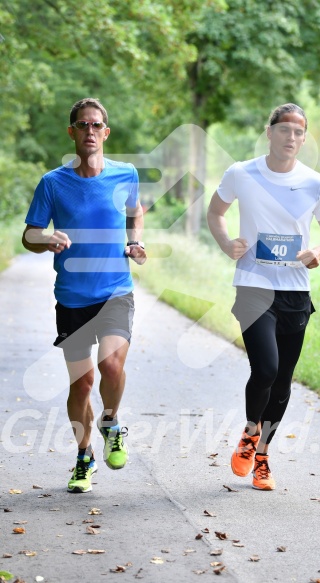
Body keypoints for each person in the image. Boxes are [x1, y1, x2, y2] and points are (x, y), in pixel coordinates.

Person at [207, 103, 320, 491]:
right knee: (265, 368)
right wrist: (226, 243)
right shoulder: (242, 173)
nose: (292, 138)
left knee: (283, 381)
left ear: (304, 137)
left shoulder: (315, 182)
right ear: (269, 132)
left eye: (299, 132)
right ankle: (250, 434)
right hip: (253, 285)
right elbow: (216, 213)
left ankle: (262, 454)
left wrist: (318, 251)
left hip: (296, 290)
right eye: (284, 130)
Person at [22, 97, 147, 493]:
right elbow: (28, 235)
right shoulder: (52, 183)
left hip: (115, 292)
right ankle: (84, 455)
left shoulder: (125, 174)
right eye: (83, 125)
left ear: (105, 133)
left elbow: (136, 210)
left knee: (110, 368)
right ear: (72, 132)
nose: (90, 131)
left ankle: (111, 421)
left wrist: (134, 241)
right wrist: (46, 237)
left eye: (96, 125)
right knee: (81, 383)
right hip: (73, 297)